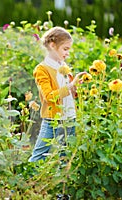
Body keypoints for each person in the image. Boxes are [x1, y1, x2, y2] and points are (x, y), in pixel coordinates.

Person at [28, 26, 86, 162]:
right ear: (53, 45)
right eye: (65, 49)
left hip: (70, 117)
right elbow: (49, 97)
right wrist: (70, 86)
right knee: (39, 154)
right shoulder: (42, 69)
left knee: (66, 155)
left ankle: (62, 181)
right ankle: (29, 179)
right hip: (52, 119)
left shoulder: (64, 66)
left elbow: (70, 94)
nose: (67, 53)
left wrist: (76, 88)